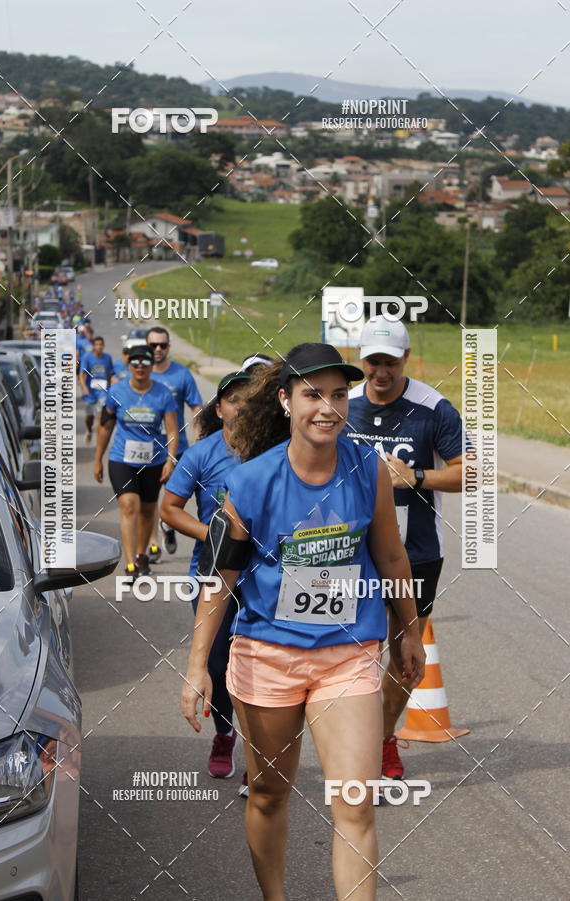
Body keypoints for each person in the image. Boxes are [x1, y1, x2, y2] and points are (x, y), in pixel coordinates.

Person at [181, 342, 425, 901]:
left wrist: (407, 631)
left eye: (340, 395)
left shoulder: (369, 470)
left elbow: (390, 558)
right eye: (313, 394)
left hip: (347, 658)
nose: (328, 407)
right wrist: (197, 666)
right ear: (286, 400)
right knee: (268, 794)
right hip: (268, 657)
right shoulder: (249, 483)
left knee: (355, 801)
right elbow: (221, 580)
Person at [345, 315, 463, 783]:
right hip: (350, 552)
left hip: (414, 554)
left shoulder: (433, 408)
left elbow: (469, 472)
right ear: (362, 360)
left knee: (406, 658)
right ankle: (357, 743)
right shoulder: (343, 405)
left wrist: (413, 477)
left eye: (390, 362)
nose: (381, 371)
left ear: (405, 359)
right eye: (373, 361)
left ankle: (381, 737)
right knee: (352, 655)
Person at [161, 371, 250, 780]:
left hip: (263, 576)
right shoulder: (201, 454)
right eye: (233, 399)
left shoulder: (278, 452)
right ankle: (224, 733)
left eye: (250, 399)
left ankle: (263, 760)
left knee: (257, 663)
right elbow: (169, 509)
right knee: (216, 666)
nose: (242, 405)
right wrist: (216, 535)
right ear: (220, 408)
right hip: (211, 574)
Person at [93, 345, 179, 581]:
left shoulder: (163, 394)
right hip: (122, 459)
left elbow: (172, 430)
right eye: (135, 363)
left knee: (148, 510)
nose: (140, 367)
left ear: (152, 366)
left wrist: (170, 461)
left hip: (154, 462)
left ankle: (141, 554)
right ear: (129, 365)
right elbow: (105, 426)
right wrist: (98, 458)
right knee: (130, 506)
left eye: (145, 363)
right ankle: (130, 563)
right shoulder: (117, 391)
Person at [146, 325, 203, 562]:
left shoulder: (181, 375)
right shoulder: (139, 373)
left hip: (176, 450)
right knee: (148, 502)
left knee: (177, 498)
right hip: (146, 452)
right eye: (153, 345)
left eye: (163, 345)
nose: (158, 349)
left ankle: (167, 525)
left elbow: (196, 407)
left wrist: (199, 438)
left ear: (169, 347)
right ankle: (152, 545)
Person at [79, 336, 114, 443]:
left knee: (100, 416)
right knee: (89, 417)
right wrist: (84, 387)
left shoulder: (107, 358)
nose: (99, 347)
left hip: (103, 392)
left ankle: (100, 440)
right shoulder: (87, 357)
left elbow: (110, 374)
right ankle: (89, 430)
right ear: (94, 346)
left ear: (103, 346)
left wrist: (111, 387)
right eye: (97, 345)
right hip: (91, 392)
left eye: (101, 345)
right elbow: (81, 374)